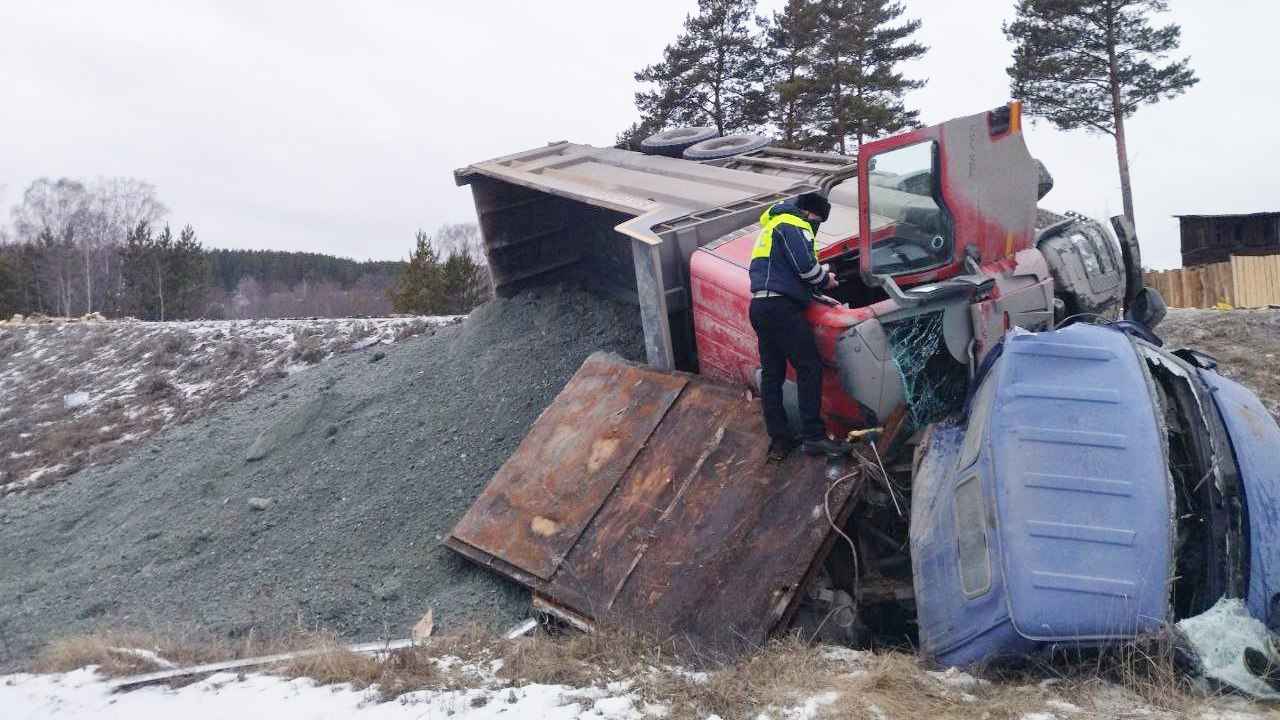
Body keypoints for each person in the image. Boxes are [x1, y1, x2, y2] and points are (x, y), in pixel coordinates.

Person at [748, 192, 849, 461]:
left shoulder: (772, 226)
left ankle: (780, 440)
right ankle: (814, 437)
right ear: (810, 214)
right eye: (818, 221)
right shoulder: (795, 225)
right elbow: (806, 269)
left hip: (760, 306)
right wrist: (826, 280)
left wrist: (814, 292)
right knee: (809, 367)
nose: (816, 227)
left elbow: (783, 272)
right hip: (781, 308)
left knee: (772, 374)